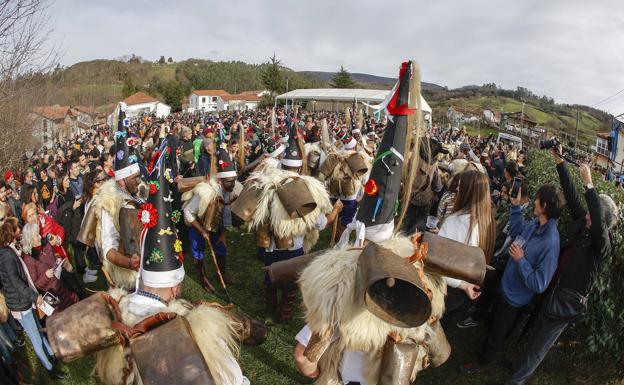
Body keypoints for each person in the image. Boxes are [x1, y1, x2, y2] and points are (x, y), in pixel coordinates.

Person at [504, 152, 619, 385]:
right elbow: (574, 197)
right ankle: (516, 367)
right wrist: (560, 163)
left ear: (600, 222)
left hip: (566, 302)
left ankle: (515, 381)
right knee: (534, 330)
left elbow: (594, 215)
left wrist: (590, 183)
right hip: (554, 289)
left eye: (591, 213)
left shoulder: (601, 244)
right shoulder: (583, 225)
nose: (586, 212)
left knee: (541, 345)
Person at [461, 183, 562, 373]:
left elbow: (539, 284)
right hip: (507, 285)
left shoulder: (550, 243)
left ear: (545, 206)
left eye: (538, 199)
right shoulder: (535, 224)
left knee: (497, 333)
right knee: (492, 324)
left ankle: (481, 363)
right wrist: (515, 206)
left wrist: (521, 260)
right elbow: (516, 232)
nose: (534, 201)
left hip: (515, 299)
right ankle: (482, 351)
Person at [0, 221, 66, 380]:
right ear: (10, 234)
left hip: (23, 300)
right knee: (35, 338)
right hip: (21, 304)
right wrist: (34, 296)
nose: (19, 231)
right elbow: (16, 282)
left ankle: (52, 356)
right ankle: (50, 369)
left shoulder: (8, 251)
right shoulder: (7, 256)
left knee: (38, 331)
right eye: (16, 229)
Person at [439, 170, 496, 315]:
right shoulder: (487, 222)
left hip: (447, 290)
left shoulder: (457, 221)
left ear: (469, 191)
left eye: (460, 186)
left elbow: (438, 262)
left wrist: (462, 285)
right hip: (464, 292)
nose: (457, 189)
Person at [21, 223, 79, 310]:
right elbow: (35, 286)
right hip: (55, 296)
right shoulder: (29, 259)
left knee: (78, 305)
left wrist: (58, 258)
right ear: (30, 240)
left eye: (39, 234)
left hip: (64, 285)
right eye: (37, 236)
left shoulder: (46, 244)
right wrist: (46, 276)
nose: (40, 237)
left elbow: (54, 254)